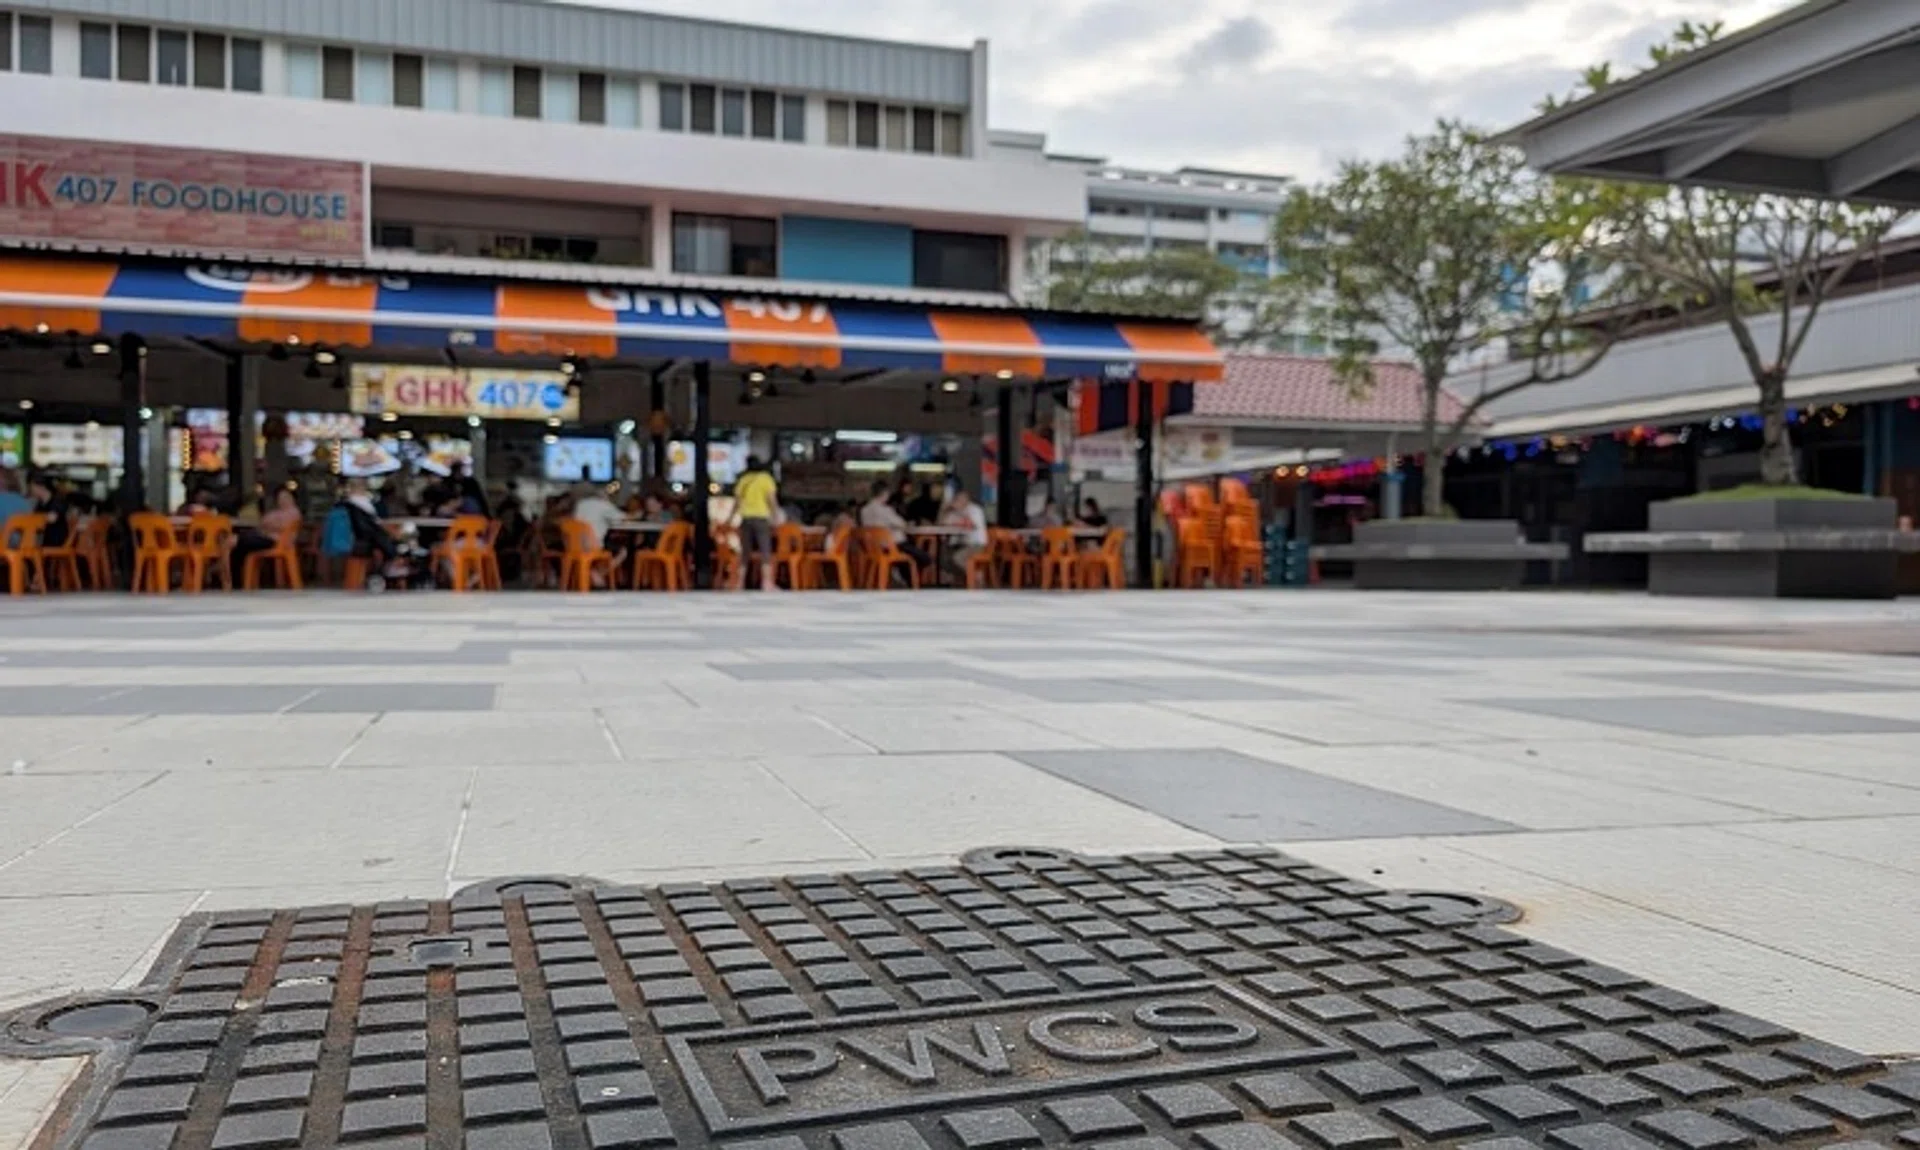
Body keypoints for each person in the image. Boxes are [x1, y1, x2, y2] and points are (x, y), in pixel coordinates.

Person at [859, 479, 929, 584]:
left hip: (875, 547)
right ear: (884, 493)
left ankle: (902, 574)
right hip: (894, 545)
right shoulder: (885, 510)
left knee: (911, 555)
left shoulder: (864, 510)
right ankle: (911, 581)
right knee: (925, 558)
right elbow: (902, 524)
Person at [230, 488, 302, 583]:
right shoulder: (276, 512)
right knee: (238, 548)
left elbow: (281, 526)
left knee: (240, 542)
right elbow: (262, 523)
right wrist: (268, 525)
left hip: (275, 541)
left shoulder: (293, 512)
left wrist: (268, 526)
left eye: (285, 497)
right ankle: (237, 579)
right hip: (265, 537)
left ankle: (236, 579)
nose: (282, 500)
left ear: (293, 499)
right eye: (280, 498)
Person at [731, 456, 780, 592]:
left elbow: (737, 502)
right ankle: (767, 583)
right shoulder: (766, 479)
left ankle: (740, 583)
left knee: (744, 551)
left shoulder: (743, 480)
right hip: (761, 517)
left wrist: (730, 518)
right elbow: (771, 500)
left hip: (746, 517)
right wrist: (775, 516)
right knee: (765, 550)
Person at [941, 483, 989, 583]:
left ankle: (975, 576)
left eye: (961, 499)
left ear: (967, 500)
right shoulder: (959, 511)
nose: (958, 502)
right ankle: (958, 580)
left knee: (957, 558)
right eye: (957, 499)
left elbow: (972, 525)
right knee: (946, 557)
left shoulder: (974, 510)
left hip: (977, 544)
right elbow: (944, 522)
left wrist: (959, 518)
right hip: (964, 543)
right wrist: (946, 509)